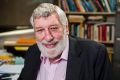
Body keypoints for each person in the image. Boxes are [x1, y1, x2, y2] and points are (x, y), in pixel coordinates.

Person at [18, 3, 113, 80]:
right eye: (40, 30)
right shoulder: (32, 52)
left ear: (66, 28)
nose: (48, 37)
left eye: (54, 28)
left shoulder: (95, 53)